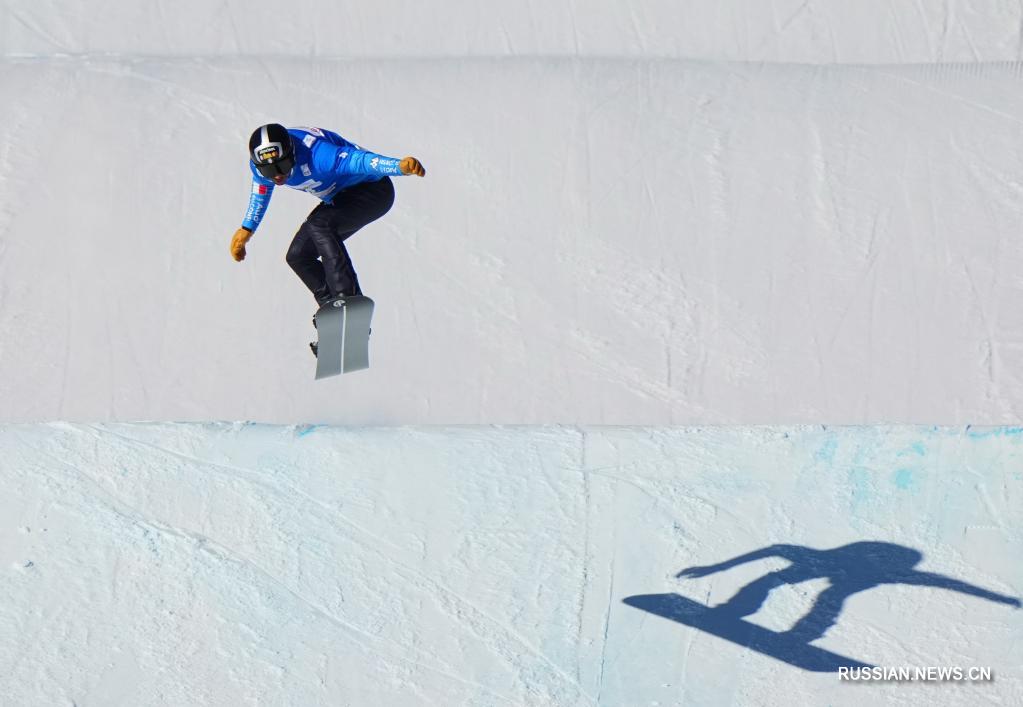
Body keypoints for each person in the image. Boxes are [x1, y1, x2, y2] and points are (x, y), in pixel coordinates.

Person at [230, 123, 426, 308]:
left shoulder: (318, 155)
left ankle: (347, 300)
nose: (277, 176)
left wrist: (399, 166)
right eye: (269, 170)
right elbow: (262, 190)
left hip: (373, 191)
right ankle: (331, 309)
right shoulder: (260, 166)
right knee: (299, 256)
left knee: (319, 225)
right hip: (339, 199)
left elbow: (361, 161)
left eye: (281, 166)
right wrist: (247, 229)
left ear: (293, 154)